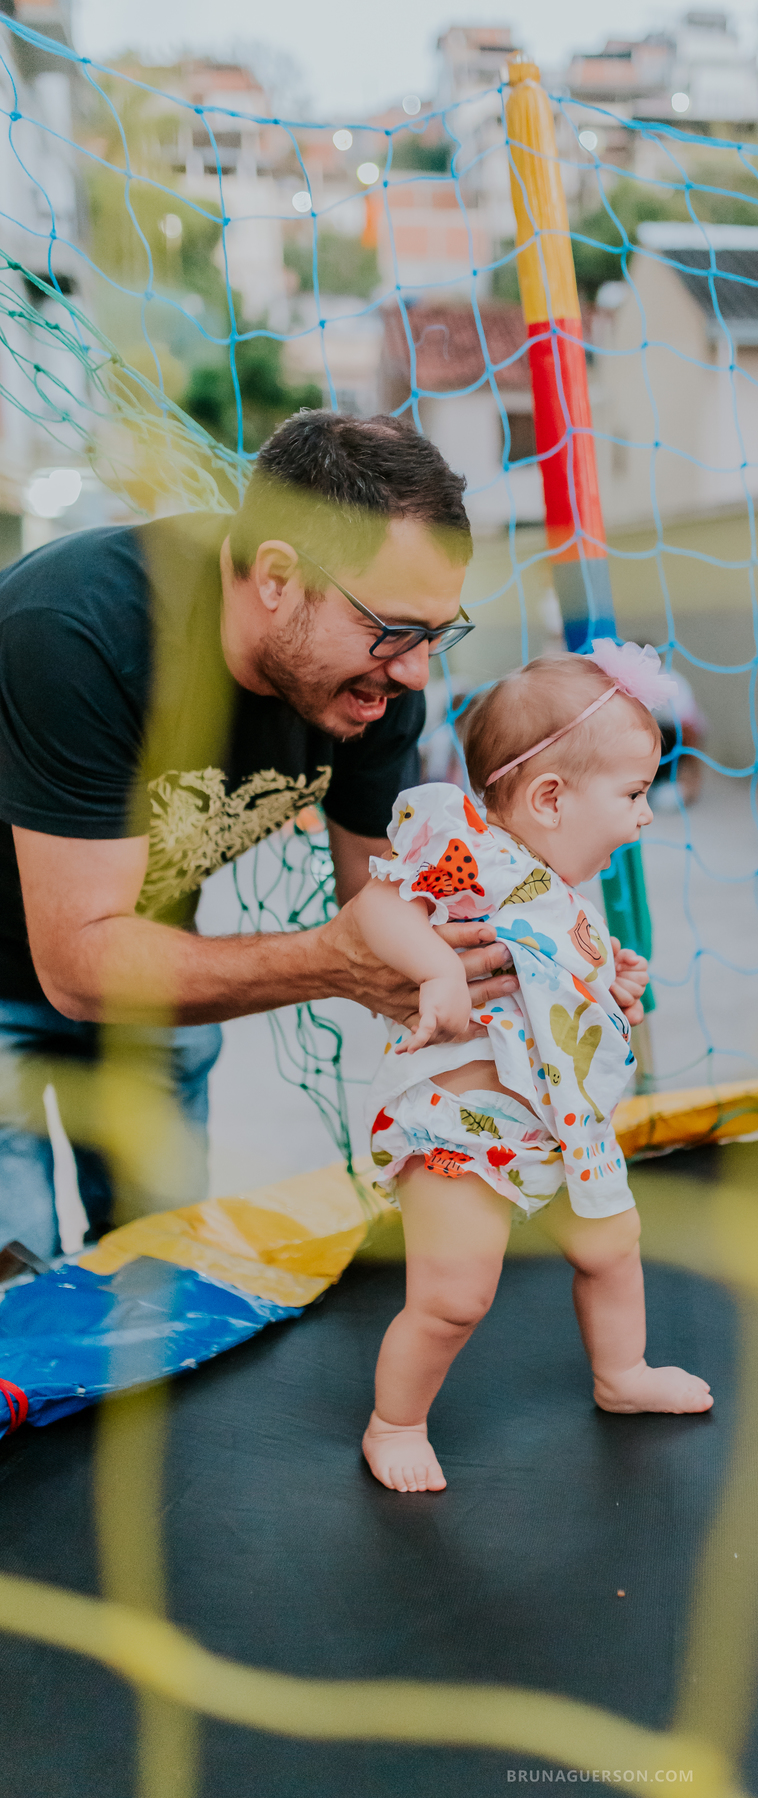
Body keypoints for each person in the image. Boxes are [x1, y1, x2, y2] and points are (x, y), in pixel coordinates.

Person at [0, 410, 522, 1264]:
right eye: (393, 630)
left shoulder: (378, 687)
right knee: (14, 1303)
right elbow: (78, 966)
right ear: (277, 576)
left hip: (148, 975)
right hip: (41, 973)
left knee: (151, 1276)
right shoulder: (76, 631)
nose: (417, 670)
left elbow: (386, 907)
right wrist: (329, 961)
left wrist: (543, 958)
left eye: (436, 634)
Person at [356, 639, 714, 1495]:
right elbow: (376, 906)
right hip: (463, 1132)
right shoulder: (468, 852)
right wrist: (439, 970)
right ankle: (393, 1422)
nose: (647, 814)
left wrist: (614, 987)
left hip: (559, 1131)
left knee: (613, 1247)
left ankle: (620, 1374)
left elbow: (564, 1001)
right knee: (453, 1298)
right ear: (551, 798)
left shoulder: (559, 894)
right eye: (633, 794)